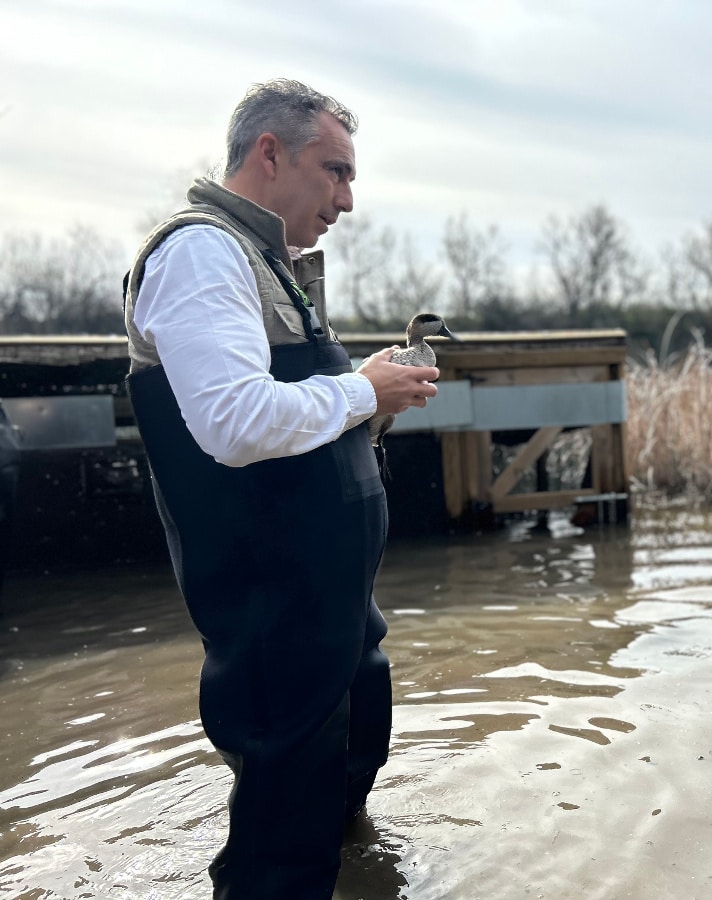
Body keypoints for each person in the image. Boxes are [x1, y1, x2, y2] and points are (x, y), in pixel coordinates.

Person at [123, 79, 436, 899]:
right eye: (334, 171)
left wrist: (374, 394)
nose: (348, 199)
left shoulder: (269, 259)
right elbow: (233, 423)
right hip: (272, 603)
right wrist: (364, 391)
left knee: (336, 791)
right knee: (279, 839)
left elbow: (293, 415)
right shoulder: (201, 251)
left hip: (325, 601)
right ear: (270, 153)